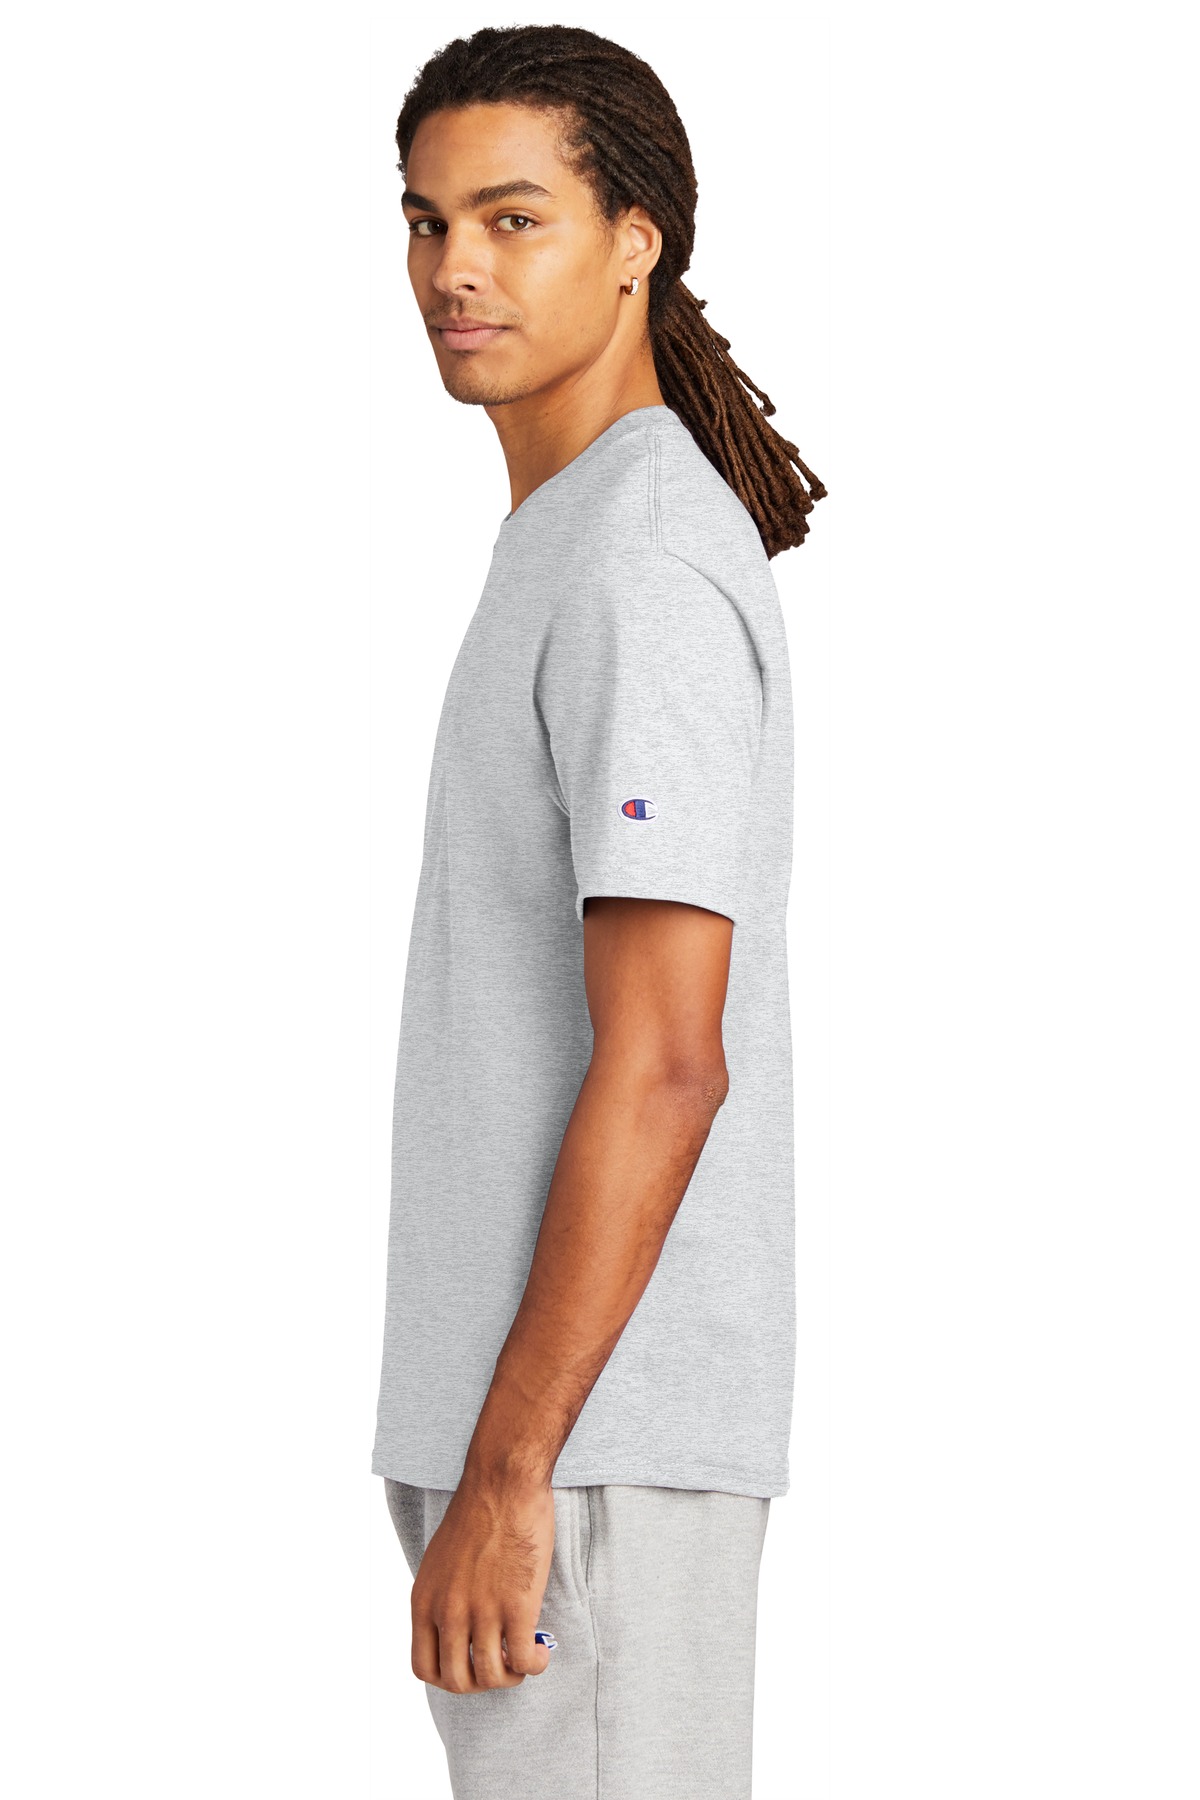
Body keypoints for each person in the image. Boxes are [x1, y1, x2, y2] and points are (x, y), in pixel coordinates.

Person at [370, 23, 826, 1798]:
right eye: (427, 221)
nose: (454, 269)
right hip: (539, 1436)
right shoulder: (569, 536)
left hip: (584, 1448)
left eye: (513, 218)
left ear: (636, 240)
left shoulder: (640, 559)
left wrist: (512, 1471)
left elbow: (667, 1063)